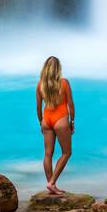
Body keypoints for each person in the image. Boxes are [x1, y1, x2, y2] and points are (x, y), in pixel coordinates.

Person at [36, 55, 74, 195]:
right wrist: (72, 121)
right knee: (66, 152)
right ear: (58, 69)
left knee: (48, 154)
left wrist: (41, 122)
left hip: (47, 119)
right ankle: (52, 183)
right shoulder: (64, 83)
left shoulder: (40, 85)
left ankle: (51, 185)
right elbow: (70, 104)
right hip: (60, 120)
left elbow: (38, 108)